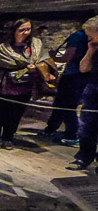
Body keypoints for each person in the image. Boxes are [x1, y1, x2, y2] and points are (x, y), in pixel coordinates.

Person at [0, 18, 42, 150]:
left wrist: (35, 68)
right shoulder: (4, 48)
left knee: (15, 115)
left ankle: (8, 137)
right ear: (14, 31)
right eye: (22, 30)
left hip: (24, 86)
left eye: (28, 29)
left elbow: (41, 62)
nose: (26, 32)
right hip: (5, 86)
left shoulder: (34, 47)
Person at [40, 25, 91, 145]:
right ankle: (52, 128)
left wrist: (53, 56)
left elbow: (67, 57)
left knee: (65, 105)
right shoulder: (90, 38)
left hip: (72, 75)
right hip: (85, 76)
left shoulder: (78, 36)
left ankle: (71, 133)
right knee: (67, 104)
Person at [68, 17, 98, 170]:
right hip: (93, 89)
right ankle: (84, 157)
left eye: (90, 34)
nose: (88, 37)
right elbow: (83, 68)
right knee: (87, 126)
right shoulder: (94, 47)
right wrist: (91, 50)